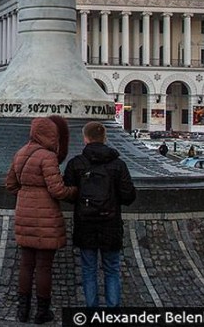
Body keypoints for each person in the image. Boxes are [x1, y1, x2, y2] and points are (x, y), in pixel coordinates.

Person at [6, 116, 77, 324]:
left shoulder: (20, 153)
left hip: (24, 214)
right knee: (44, 266)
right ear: (51, 134)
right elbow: (57, 190)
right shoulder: (47, 156)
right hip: (46, 217)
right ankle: (42, 312)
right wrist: (74, 191)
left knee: (26, 264)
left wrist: (26, 195)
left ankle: (23, 311)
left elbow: (10, 184)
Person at [63, 121, 137, 309]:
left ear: (85, 139)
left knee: (89, 270)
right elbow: (129, 196)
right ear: (105, 138)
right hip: (110, 224)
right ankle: (112, 312)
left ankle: (92, 312)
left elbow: (69, 194)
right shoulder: (118, 165)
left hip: (85, 224)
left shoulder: (76, 163)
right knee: (112, 270)